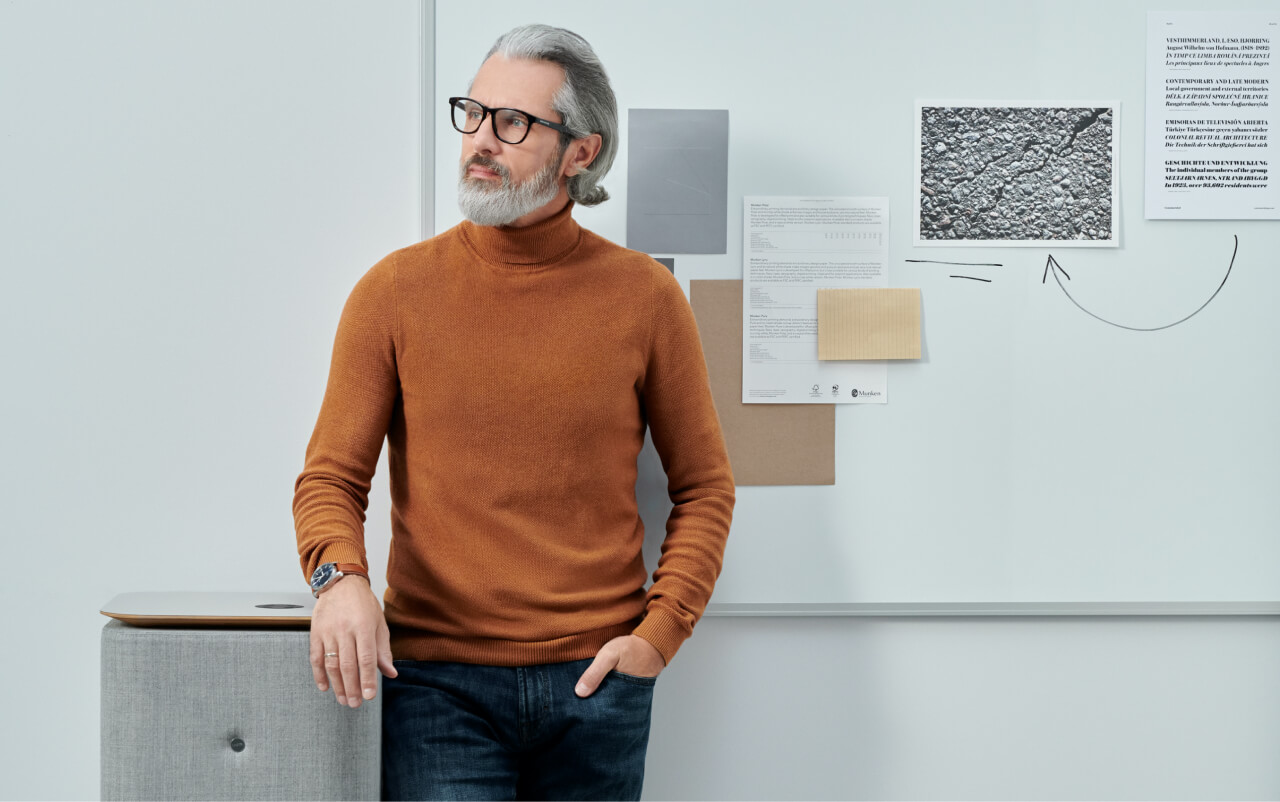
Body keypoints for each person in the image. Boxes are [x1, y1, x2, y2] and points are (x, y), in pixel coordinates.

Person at [292, 23, 734, 801]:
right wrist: (339, 579)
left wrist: (657, 639)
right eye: (474, 112)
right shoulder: (392, 293)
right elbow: (329, 478)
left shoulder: (645, 299)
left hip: (599, 686)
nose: (480, 142)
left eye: (514, 123)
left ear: (581, 152)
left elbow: (704, 488)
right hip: (435, 690)